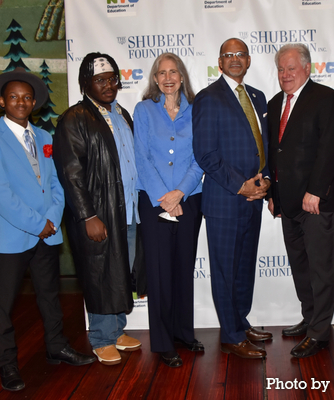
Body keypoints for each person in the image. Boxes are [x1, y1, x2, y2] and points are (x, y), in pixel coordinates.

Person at [0, 68, 95, 391]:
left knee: (49, 295)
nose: (20, 102)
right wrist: (37, 223)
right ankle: (7, 364)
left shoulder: (45, 137)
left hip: (48, 231)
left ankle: (56, 346)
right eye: (13, 97)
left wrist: (52, 220)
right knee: (4, 304)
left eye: (26, 97)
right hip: (16, 235)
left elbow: (57, 184)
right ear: (2, 101)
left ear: (34, 103)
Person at [53, 53, 142, 366]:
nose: (108, 85)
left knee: (120, 272)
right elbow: (71, 173)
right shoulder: (74, 119)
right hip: (99, 215)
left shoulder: (123, 115)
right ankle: (102, 337)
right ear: (85, 83)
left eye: (112, 78)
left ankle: (117, 331)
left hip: (128, 211)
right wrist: (88, 215)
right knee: (100, 273)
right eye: (100, 80)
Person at [192, 38, 272, 359]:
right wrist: (242, 186)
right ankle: (230, 335)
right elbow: (205, 154)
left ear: (249, 60)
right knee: (226, 268)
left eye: (240, 54)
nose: (235, 59)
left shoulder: (258, 96)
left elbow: (264, 147)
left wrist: (266, 181)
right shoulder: (208, 98)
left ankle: (240, 321)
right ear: (220, 61)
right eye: (228, 55)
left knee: (243, 268)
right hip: (226, 199)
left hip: (255, 197)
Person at [267, 43, 334, 358]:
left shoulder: (325, 98)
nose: (285, 74)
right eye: (281, 69)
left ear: (307, 68)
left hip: (317, 201)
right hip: (286, 203)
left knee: (321, 268)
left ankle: (320, 333)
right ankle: (310, 318)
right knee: (300, 266)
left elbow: (331, 146)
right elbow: (274, 154)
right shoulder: (274, 104)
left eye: (291, 68)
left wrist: (316, 189)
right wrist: (272, 195)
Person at [134, 53, 204, 368]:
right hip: (154, 201)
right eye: (161, 73)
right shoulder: (144, 110)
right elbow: (141, 156)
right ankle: (163, 342)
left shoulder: (197, 110)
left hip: (188, 199)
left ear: (181, 76)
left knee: (182, 269)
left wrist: (180, 193)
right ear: (155, 79)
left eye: (173, 71)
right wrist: (165, 197)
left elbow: (200, 157)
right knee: (160, 273)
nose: (168, 77)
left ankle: (183, 333)